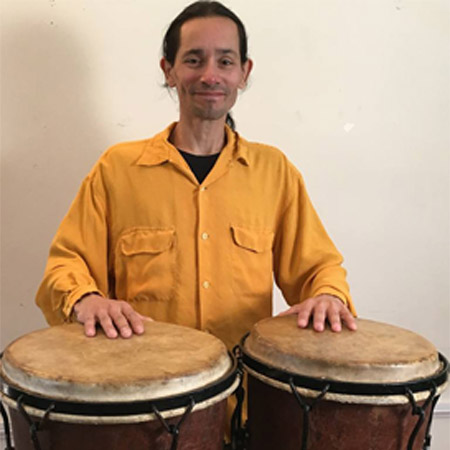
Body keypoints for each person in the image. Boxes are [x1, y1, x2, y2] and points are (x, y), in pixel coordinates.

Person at [36, 1, 357, 352]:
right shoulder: (117, 170)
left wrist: (327, 296)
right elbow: (66, 264)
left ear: (244, 72)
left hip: (245, 396)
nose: (210, 75)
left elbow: (318, 268)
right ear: (168, 71)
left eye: (225, 61)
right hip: (145, 390)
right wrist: (87, 299)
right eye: (193, 59)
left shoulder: (275, 173)